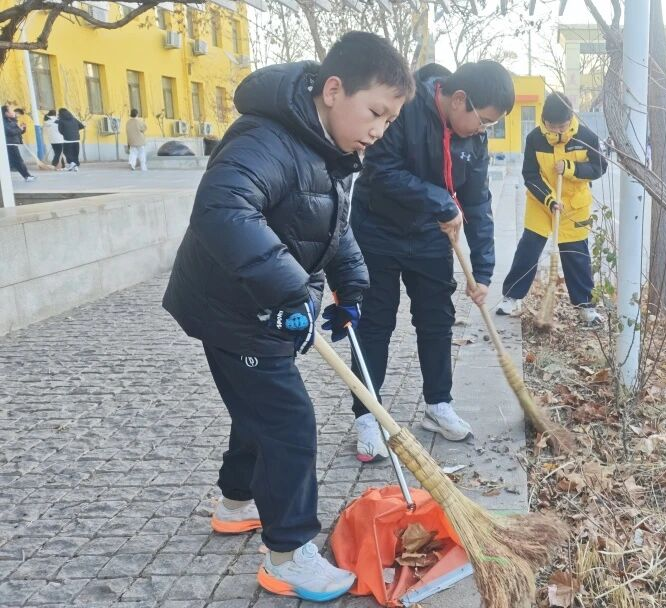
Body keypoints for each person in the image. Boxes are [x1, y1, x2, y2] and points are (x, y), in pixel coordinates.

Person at [161, 31, 414, 602]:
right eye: (375, 112)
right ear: (334, 90)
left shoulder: (331, 149)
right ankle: (288, 554)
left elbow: (330, 224)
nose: (380, 129)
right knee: (289, 421)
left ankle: (235, 504)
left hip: (266, 307)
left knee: (259, 411)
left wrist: (351, 285)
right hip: (235, 308)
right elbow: (222, 208)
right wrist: (292, 288)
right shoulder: (267, 138)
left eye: (390, 120)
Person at [348, 60, 514, 462]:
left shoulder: (473, 140)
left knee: (437, 321)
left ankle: (439, 405)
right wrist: (441, 201)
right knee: (375, 323)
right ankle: (367, 416)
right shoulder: (404, 107)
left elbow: (477, 202)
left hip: (432, 236)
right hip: (378, 231)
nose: (483, 130)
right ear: (459, 100)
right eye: (484, 120)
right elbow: (381, 170)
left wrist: (484, 272)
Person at [496, 92, 607, 327]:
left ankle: (586, 306)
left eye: (562, 126)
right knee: (528, 248)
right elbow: (530, 174)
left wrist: (571, 168)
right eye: (551, 126)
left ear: (570, 118)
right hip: (542, 203)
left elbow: (599, 168)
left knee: (576, 255)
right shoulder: (535, 138)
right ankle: (512, 296)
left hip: (574, 206)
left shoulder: (587, 137)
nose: (556, 131)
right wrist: (549, 199)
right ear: (544, 120)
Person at [3, 106, 34, 181]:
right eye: (11, 111)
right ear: (6, 113)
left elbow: (18, 132)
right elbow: (10, 132)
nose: (14, 112)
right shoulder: (4, 122)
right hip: (9, 144)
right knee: (18, 161)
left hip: (13, 143)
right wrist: (19, 129)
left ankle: (27, 176)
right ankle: (27, 176)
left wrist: (23, 128)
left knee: (15, 161)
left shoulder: (12, 120)